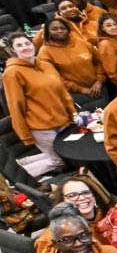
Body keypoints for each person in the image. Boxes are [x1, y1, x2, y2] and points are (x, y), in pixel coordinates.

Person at [3, 32, 75, 170]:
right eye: (19, 45)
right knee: (60, 162)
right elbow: (15, 106)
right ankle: (20, 175)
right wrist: (24, 135)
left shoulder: (46, 65)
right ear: (13, 50)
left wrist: (73, 114)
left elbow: (63, 92)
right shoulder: (12, 73)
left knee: (70, 155)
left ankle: (26, 161)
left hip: (63, 121)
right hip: (41, 127)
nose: (25, 47)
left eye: (27, 43)